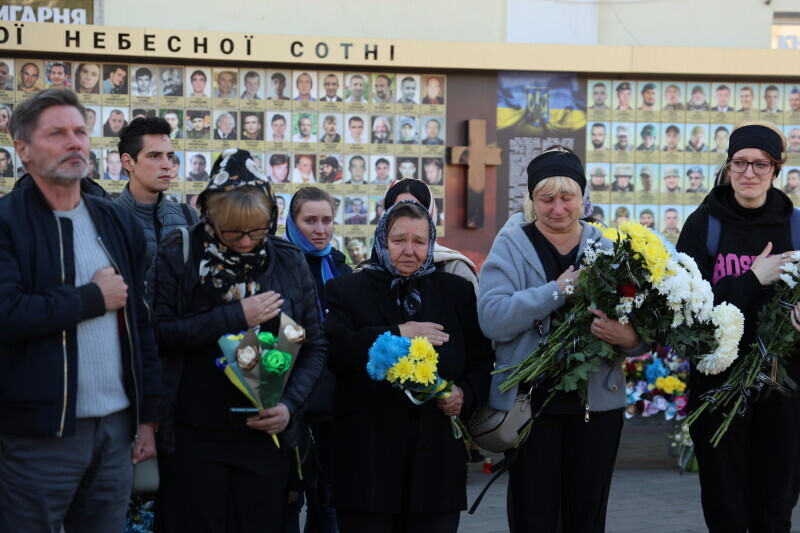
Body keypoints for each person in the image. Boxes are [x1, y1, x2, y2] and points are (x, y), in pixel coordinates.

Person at [0, 88, 159, 532]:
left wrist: (148, 418)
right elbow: (5, 312)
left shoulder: (117, 222)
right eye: (57, 133)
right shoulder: (7, 224)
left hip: (116, 430)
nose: (74, 143)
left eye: (80, 132)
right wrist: (90, 299)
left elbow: (140, 323)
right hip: (39, 433)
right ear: (23, 150)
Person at [153, 148, 326, 531]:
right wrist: (235, 315)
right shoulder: (180, 254)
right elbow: (160, 335)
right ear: (210, 216)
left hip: (266, 439)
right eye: (232, 232)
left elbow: (314, 346)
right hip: (193, 440)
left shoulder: (288, 260)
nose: (246, 242)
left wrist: (289, 407)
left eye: (256, 230)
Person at [478, 148, 644, 532]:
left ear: (583, 198)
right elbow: (492, 319)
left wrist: (630, 337)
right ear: (532, 200)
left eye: (567, 197)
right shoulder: (511, 245)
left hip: (596, 409)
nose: (557, 208)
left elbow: (644, 321)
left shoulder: (609, 247)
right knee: (533, 514)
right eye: (546, 199)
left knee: (586, 515)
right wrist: (555, 291)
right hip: (528, 408)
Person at [324, 199, 492, 532]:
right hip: (368, 466)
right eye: (399, 240)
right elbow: (335, 352)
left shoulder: (456, 291)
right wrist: (398, 333)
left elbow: (482, 360)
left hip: (435, 468)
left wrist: (464, 393)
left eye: (419, 241)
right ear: (382, 241)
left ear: (431, 245)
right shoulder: (346, 289)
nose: (409, 250)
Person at [677, 122, 800, 532]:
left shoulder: (796, 227)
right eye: (740, 163)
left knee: (774, 513)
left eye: (760, 164)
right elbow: (687, 312)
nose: (749, 173)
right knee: (726, 509)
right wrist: (752, 279)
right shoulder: (703, 226)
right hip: (718, 389)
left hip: (784, 390)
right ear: (728, 166)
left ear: (776, 169)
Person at [282, 187, 351, 532]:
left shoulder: (339, 267)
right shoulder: (276, 263)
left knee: (329, 500)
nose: (320, 229)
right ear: (292, 221)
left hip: (334, 402)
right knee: (288, 498)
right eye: (310, 221)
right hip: (291, 400)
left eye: (326, 220)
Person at [115, 116, 199, 264]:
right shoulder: (108, 218)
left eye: (170, 156)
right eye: (155, 156)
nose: (168, 165)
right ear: (128, 162)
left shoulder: (189, 216)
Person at [380, 178, 480, 294]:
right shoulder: (367, 274)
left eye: (417, 209)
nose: (408, 216)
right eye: (399, 210)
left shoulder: (454, 269)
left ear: (430, 214)